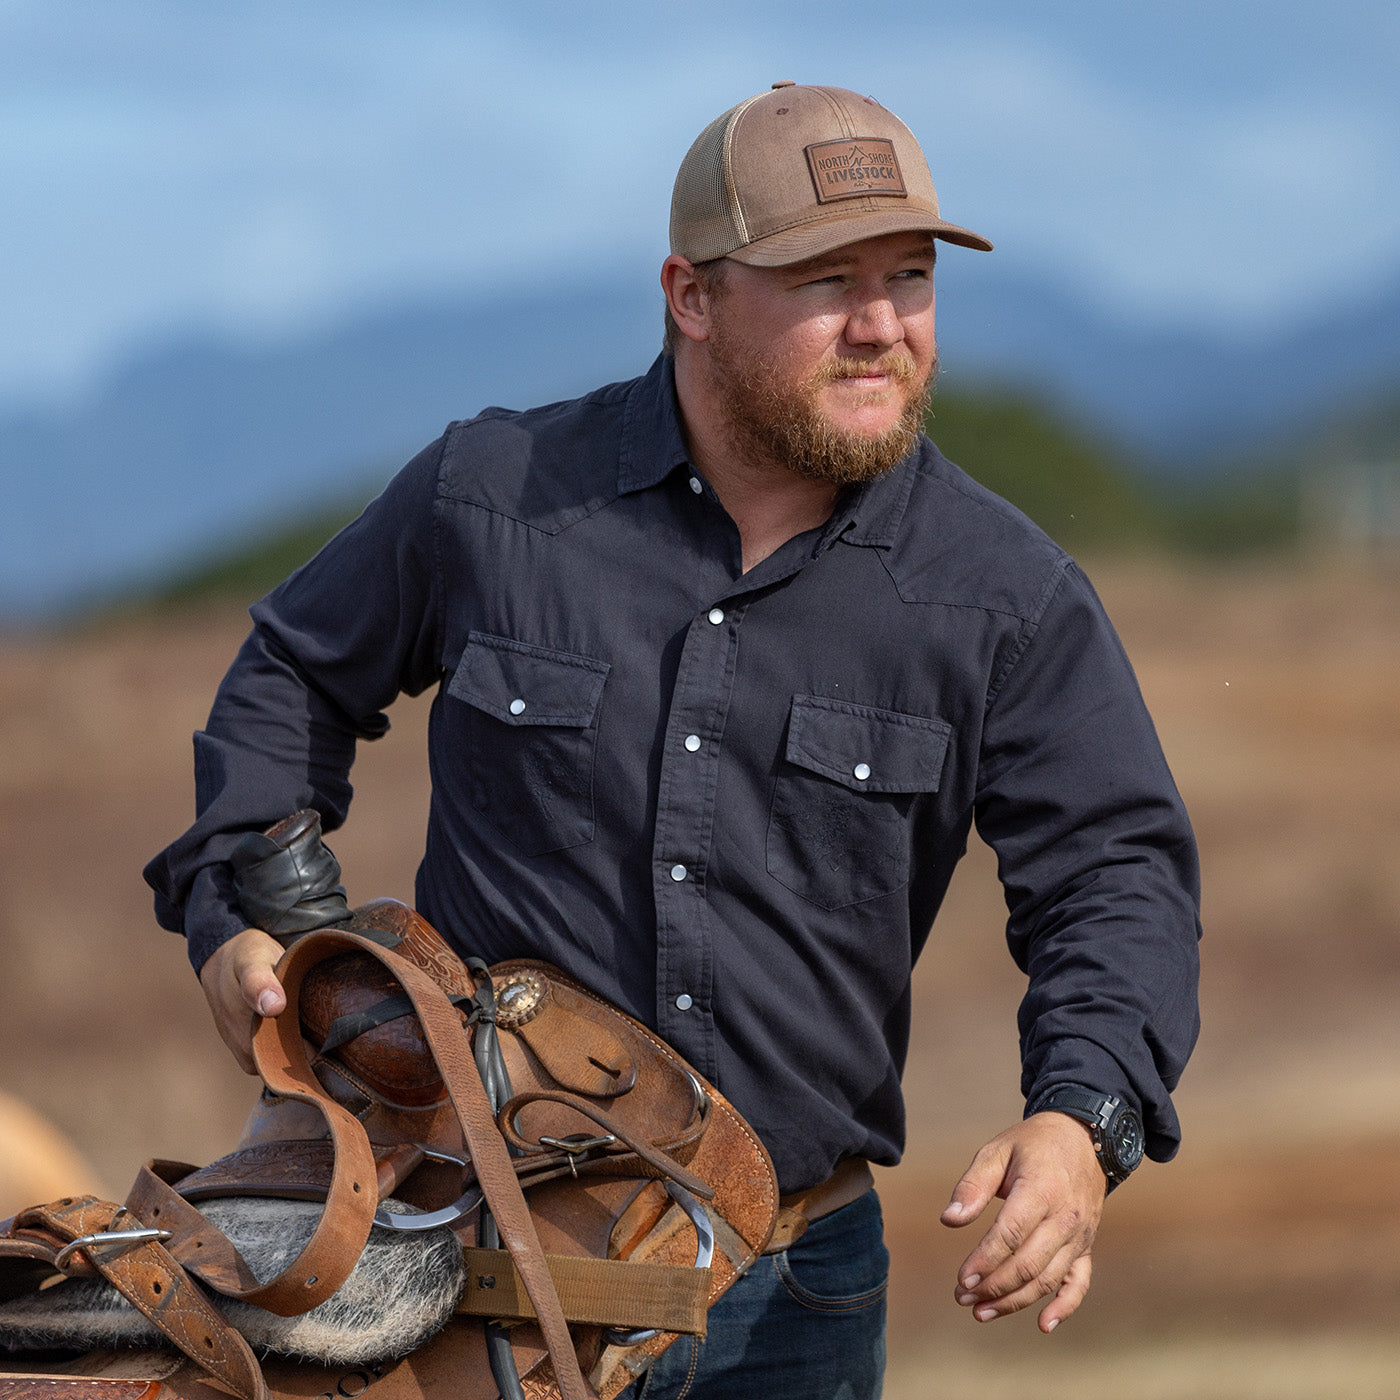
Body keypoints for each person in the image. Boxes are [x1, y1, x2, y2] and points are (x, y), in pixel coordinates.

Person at [145, 82, 1201, 1399]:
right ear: (691, 294)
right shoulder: (494, 494)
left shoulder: (1004, 594)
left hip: (795, 1291)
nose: (882, 326)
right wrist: (246, 912)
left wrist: (1078, 1120)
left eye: (911, 278)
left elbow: (1116, 877)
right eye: (827, 281)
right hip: (473, 1266)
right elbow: (288, 675)